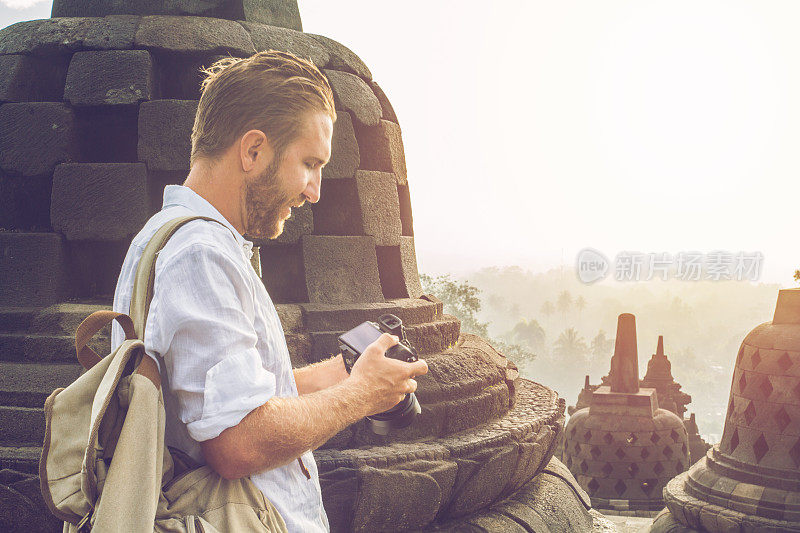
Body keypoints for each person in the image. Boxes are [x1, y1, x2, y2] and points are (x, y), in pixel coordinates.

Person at [110, 50, 429, 532]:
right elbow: (237, 442)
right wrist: (361, 396)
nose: (315, 191)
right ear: (253, 150)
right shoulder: (201, 255)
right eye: (309, 163)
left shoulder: (176, 239)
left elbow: (213, 402)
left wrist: (338, 376)